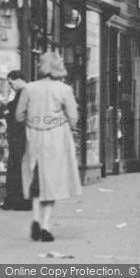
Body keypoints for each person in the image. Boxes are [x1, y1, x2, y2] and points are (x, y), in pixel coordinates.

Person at [16, 51, 82, 242]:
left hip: (34, 138)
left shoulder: (28, 88)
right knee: (51, 182)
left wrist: (34, 120)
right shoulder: (64, 90)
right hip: (56, 140)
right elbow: (74, 118)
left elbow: (19, 116)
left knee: (36, 182)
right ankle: (45, 226)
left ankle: (35, 218)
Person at [0, 71, 32, 210]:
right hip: (22, 137)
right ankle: (18, 200)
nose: (11, 86)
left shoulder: (25, 93)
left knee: (16, 169)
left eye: (11, 83)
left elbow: (18, 115)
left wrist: (6, 110)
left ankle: (17, 200)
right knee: (18, 169)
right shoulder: (26, 92)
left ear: (18, 80)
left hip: (20, 138)